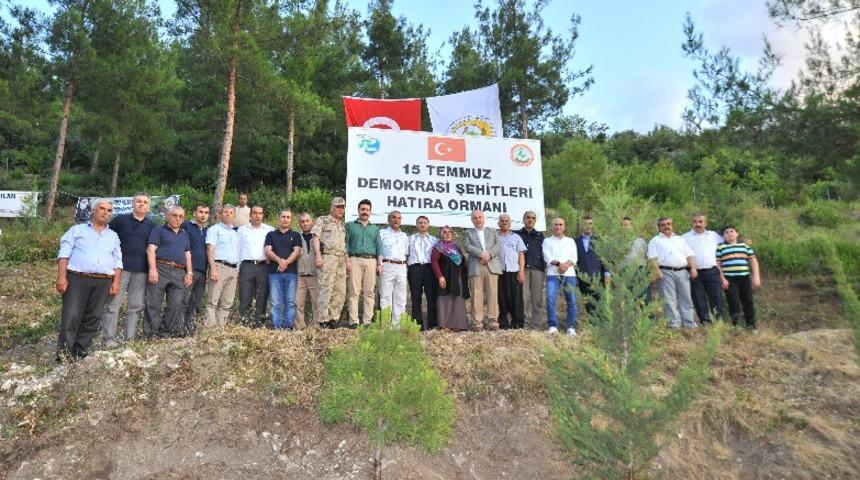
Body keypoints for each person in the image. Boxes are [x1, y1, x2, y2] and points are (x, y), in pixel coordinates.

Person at [56, 199, 122, 361]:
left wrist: (116, 282)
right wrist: (61, 277)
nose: (105, 212)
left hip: (103, 281)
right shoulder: (77, 230)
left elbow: (118, 261)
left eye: (109, 210)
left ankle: (80, 352)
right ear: (93, 211)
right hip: (78, 278)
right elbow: (64, 254)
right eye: (102, 208)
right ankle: (64, 354)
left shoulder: (113, 236)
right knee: (71, 315)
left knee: (93, 317)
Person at [101, 192, 153, 346]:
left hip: (142, 271)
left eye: (144, 202)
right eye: (138, 201)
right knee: (112, 305)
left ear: (148, 206)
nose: (141, 204)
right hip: (120, 270)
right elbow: (107, 239)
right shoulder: (120, 220)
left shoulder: (152, 226)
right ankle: (109, 339)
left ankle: (129, 339)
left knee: (135, 306)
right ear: (133, 203)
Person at [144, 206, 193, 338]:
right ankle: (151, 334)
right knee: (153, 303)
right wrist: (152, 269)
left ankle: (164, 332)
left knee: (176, 303)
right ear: (168, 216)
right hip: (161, 268)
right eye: (174, 215)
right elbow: (151, 249)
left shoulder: (184, 234)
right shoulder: (158, 230)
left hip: (179, 271)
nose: (178, 219)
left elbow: (187, 254)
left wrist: (189, 272)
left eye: (181, 216)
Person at [647, 217, 699, 329]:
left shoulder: (680, 239)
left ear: (672, 225)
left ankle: (689, 323)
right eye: (663, 224)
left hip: (683, 271)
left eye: (668, 224)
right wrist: (657, 271)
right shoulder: (655, 240)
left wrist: (693, 268)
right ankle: (674, 324)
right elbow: (652, 258)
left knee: (686, 298)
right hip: (666, 272)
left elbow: (690, 255)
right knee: (669, 299)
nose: (666, 226)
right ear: (659, 227)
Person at [682, 213, 726, 324]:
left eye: (700, 222)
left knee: (716, 297)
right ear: (692, 223)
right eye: (695, 222)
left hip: (712, 271)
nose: (698, 224)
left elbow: (728, 241)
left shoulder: (714, 235)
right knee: (698, 298)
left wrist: (743, 240)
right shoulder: (684, 238)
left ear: (705, 223)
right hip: (694, 272)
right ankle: (705, 321)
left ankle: (718, 320)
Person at [462, 210, 502, 331]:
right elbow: (467, 246)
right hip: (476, 266)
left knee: (493, 294)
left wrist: (489, 255)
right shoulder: (467, 233)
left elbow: (498, 245)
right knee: (476, 295)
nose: (478, 219)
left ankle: (493, 320)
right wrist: (482, 254)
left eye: (480, 217)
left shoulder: (493, 231)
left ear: (483, 218)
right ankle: (477, 321)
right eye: (475, 218)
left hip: (492, 266)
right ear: (472, 220)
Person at [345, 199, 382, 327]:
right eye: (362, 209)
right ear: (358, 211)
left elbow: (379, 247)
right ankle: (354, 321)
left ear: (370, 212)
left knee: (369, 292)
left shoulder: (375, 229)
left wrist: (379, 264)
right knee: (354, 291)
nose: (365, 212)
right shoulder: (350, 225)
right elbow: (346, 244)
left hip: (371, 261)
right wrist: (347, 260)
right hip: (354, 259)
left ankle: (367, 321)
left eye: (367, 210)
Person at [312, 197, 348, 328]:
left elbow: (344, 246)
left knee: (340, 290)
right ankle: (322, 320)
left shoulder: (342, 226)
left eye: (342, 207)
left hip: (340, 259)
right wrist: (318, 256)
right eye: (338, 206)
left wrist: (347, 261)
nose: (340, 209)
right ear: (332, 207)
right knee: (325, 288)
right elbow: (315, 238)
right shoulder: (323, 220)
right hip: (328, 257)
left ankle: (333, 318)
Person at [716, 226, 761, 329]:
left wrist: (756, 276)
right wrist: (722, 279)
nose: (729, 233)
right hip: (729, 279)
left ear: (737, 234)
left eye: (732, 231)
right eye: (726, 232)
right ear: (723, 236)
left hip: (744, 277)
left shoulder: (744, 246)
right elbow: (717, 264)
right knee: (733, 301)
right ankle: (736, 326)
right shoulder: (720, 247)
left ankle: (751, 325)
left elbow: (753, 261)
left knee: (748, 301)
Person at [264, 210, 303, 329]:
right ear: (279, 218)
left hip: (291, 273)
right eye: (283, 217)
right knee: (275, 303)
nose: (285, 219)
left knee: (290, 302)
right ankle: (277, 328)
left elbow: (297, 251)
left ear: (291, 219)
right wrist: (279, 260)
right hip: (274, 273)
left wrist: (285, 262)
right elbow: (267, 250)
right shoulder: (271, 234)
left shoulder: (295, 235)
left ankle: (287, 328)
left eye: (288, 217)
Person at [237, 205, 274, 327]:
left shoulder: (269, 230)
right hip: (246, 266)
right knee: (245, 295)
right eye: (255, 213)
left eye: (260, 213)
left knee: (262, 296)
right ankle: (245, 322)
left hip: (263, 266)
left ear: (263, 215)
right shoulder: (242, 230)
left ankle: (259, 323)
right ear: (250, 215)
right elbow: (238, 249)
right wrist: (237, 269)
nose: (257, 216)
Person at [205, 204, 240, 328]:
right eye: (225, 212)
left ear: (234, 215)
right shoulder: (214, 229)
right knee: (212, 300)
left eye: (231, 213)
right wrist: (213, 268)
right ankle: (210, 329)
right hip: (219, 267)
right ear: (220, 214)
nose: (228, 215)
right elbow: (210, 250)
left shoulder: (236, 232)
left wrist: (238, 270)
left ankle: (221, 328)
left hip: (233, 269)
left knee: (227, 302)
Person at [543, 217, 579, 336]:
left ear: (564, 227)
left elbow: (574, 258)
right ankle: (553, 326)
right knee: (550, 298)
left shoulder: (570, 241)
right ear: (552, 227)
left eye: (560, 224)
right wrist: (559, 264)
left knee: (572, 300)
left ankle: (571, 327)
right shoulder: (547, 241)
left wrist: (565, 265)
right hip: (553, 274)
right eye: (556, 224)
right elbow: (547, 256)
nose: (558, 226)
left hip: (569, 274)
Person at [431, 226, 470, 331]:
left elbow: (462, 262)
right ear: (441, 234)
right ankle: (444, 325)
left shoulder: (456, 247)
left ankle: (458, 325)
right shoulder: (438, 247)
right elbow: (434, 262)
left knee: (457, 300)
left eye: (449, 232)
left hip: (457, 278)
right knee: (444, 300)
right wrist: (440, 277)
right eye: (445, 232)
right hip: (445, 277)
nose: (447, 234)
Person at [180, 203, 210, 334]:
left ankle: (190, 327)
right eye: (200, 212)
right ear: (194, 213)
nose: (203, 215)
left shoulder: (209, 230)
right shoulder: (186, 226)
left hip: (202, 271)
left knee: (196, 302)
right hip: (187, 270)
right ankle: (178, 327)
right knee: (183, 299)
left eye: (206, 212)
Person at [378, 210, 409, 326]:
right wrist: (380, 265)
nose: (396, 220)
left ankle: (397, 325)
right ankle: (385, 325)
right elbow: (379, 251)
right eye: (394, 217)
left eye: (399, 218)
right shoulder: (381, 233)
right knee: (385, 296)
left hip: (401, 266)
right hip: (387, 265)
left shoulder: (404, 236)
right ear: (389, 220)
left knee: (400, 297)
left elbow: (406, 253)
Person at [407, 215, 438, 330]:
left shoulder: (434, 240)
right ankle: (417, 325)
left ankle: (432, 324)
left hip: (429, 269)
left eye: (425, 223)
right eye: (420, 223)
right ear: (416, 225)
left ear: (428, 224)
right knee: (415, 297)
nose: (422, 225)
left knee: (431, 297)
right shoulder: (410, 238)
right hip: (415, 269)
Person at [517, 210, 546, 330]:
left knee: (537, 299)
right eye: (528, 217)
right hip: (522, 270)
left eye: (533, 218)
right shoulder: (517, 234)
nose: (530, 220)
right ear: (523, 219)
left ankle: (536, 325)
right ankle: (525, 323)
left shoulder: (540, 236)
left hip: (537, 270)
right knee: (523, 298)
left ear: (535, 221)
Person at [575, 215, 610, 316]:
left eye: (590, 223)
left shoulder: (600, 240)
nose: (588, 226)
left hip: (598, 277)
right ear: (581, 225)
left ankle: (601, 327)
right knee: (588, 304)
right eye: (585, 223)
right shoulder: (575, 242)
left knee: (600, 303)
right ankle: (591, 327)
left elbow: (605, 259)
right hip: (583, 278)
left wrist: (607, 273)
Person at [497, 213, 526, 329]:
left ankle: (517, 323)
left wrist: (521, 271)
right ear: (498, 223)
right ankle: (503, 324)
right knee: (501, 298)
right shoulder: (494, 236)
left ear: (510, 223)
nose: (504, 223)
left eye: (506, 221)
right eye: (502, 221)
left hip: (514, 271)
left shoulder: (517, 237)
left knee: (516, 298)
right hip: (500, 272)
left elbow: (521, 255)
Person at [295, 213, 320, 329]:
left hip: (315, 275)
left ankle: (316, 326)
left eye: (307, 221)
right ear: (299, 223)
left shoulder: (318, 237)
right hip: (300, 275)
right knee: (298, 303)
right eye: (302, 221)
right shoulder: (296, 237)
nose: (305, 223)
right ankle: (300, 326)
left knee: (316, 303)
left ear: (312, 222)